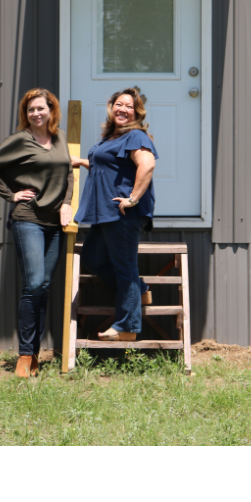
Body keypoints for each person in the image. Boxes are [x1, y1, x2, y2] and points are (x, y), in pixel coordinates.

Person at [0, 88, 73, 377]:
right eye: (31, 109)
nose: (36, 113)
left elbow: (68, 172)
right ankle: (24, 354)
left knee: (43, 286)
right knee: (33, 284)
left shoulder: (58, 139)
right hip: (28, 218)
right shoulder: (21, 139)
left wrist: (67, 203)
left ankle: (33, 356)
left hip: (55, 223)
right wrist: (11, 195)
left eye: (40, 108)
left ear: (51, 110)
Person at [71, 87, 158, 342]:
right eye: (119, 104)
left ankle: (127, 327)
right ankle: (140, 291)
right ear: (111, 108)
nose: (123, 109)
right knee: (92, 258)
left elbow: (147, 164)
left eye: (129, 106)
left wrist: (133, 198)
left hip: (122, 214)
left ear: (137, 113)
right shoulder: (112, 138)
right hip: (105, 213)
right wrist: (82, 162)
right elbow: (109, 166)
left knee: (125, 268)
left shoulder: (134, 136)